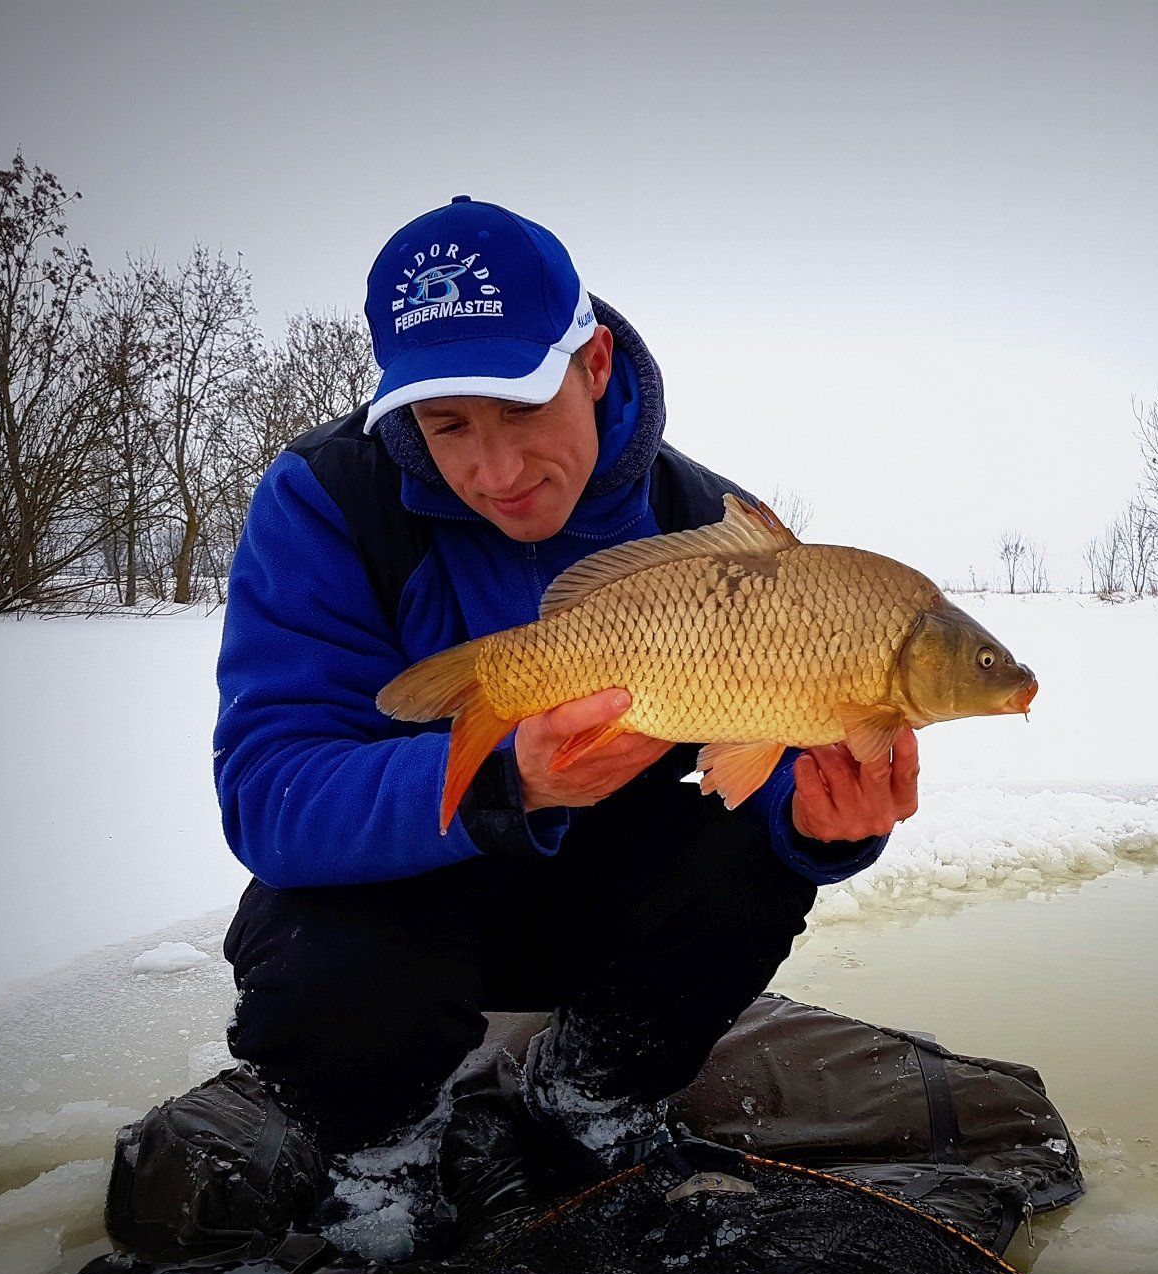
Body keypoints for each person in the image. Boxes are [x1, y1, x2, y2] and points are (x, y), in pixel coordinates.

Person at [211, 197, 917, 1171]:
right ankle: (380, 1151)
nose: (495, 468)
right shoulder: (327, 499)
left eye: (521, 408)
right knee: (321, 956)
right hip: (401, 898)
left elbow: (778, 762)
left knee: (752, 854)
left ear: (592, 367)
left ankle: (593, 1088)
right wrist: (508, 781)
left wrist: (823, 819)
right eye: (447, 424)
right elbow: (270, 790)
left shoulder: (705, 522)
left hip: (600, 900)